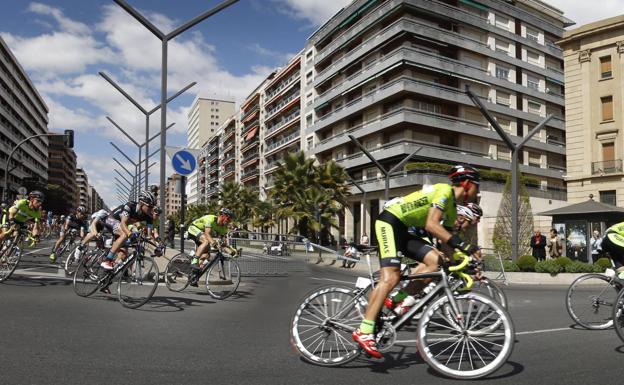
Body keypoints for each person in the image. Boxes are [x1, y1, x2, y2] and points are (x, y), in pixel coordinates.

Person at [352, 165, 481, 359]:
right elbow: (431, 224)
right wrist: (466, 246)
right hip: (390, 222)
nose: (477, 191)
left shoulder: (453, 210)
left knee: (436, 262)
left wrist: (462, 263)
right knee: (390, 277)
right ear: (468, 184)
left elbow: (445, 245)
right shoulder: (444, 191)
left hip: (405, 229)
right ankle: (364, 330)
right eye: (477, 186)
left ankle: (396, 300)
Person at [100, 191, 157, 270]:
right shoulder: (130, 205)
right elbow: (123, 223)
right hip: (111, 220)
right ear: (141, 203)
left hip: (120, 226)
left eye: (152, 207)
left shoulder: (148, 216)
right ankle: (107, 260)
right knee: (125, 234)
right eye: (149, 206)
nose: (151, 209)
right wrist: (130, 234)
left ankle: (108, 273)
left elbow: (149, 235)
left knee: (123, 254)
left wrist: (156, 247)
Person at [186, 208, 236, 278]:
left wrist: (231, 252)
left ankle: (193, 275)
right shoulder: (211, 219)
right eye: (228, 219)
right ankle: (194, 261)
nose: (229, 222)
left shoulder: (223, 228)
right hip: (193, 228)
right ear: (222, 216)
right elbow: (207, 234)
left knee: (206, 256)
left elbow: (223, 244)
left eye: (230, 220)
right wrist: (213, 243)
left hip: (201, 234)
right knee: (206, 241)